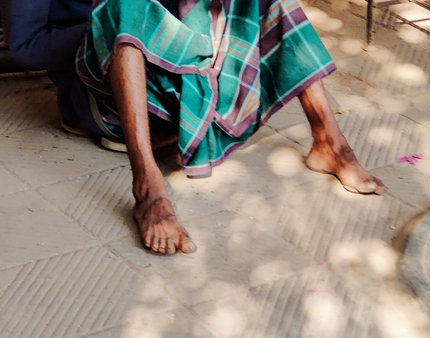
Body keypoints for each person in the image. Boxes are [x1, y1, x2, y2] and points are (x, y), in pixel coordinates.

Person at [6, 0, 385, 255]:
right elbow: (26, 46)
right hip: (101, 99)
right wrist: (122, 25)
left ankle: (329, 143)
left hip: (174, 74)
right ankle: (148, 188)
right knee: (127, 6)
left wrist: (177, 23)